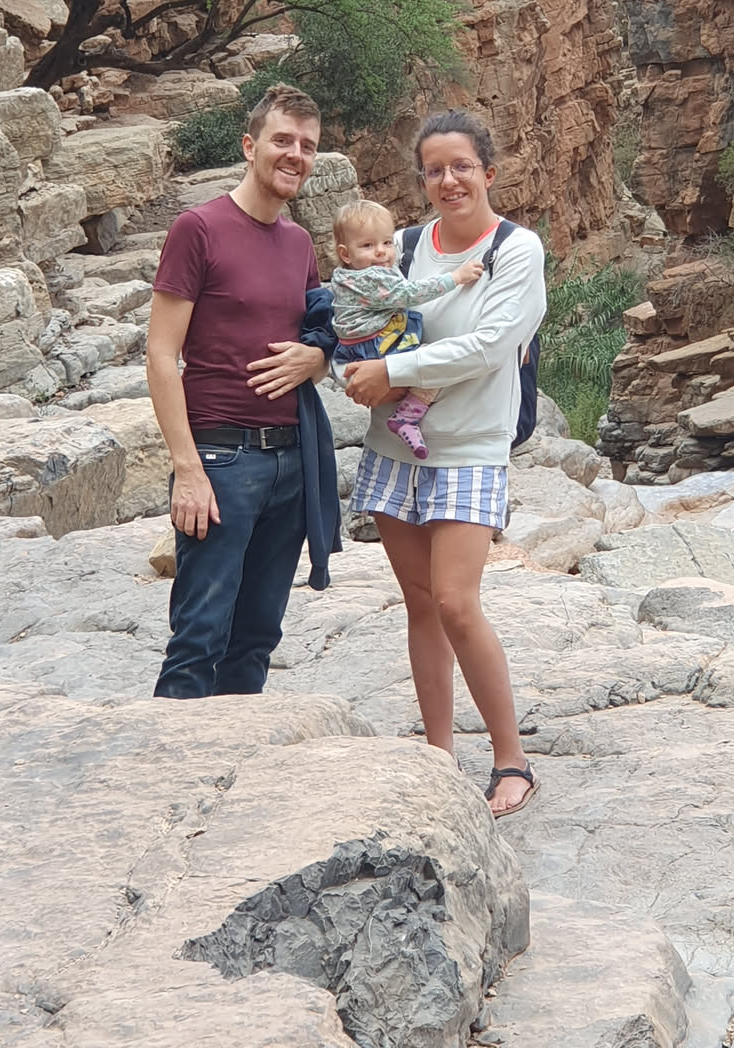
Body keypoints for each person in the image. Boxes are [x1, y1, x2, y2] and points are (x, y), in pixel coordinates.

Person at [342, 110, 546, 817]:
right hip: (393, 446)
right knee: (421, 602)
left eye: (462, 166)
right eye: (435, 170)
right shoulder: (401, 247)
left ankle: (511, 759)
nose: (449, 181)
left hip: (469, 448)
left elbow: (490, 345)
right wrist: (336, 362)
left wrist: (394, 370)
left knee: (457, 601)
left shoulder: (516, 250)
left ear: (488, 172)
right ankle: (438, 754)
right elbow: (355, 315)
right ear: (422, 180)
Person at [145, 83, 340, 699]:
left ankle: (234, 751)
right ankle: (167, 752)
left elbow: (317, 342)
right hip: (222, 460)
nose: (295, 155)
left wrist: (318, 358)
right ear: (250, 146)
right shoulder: (199, 228)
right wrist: (188, 471)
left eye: (307, 146)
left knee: (257, 636)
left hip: (291, 462)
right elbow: (161, 353)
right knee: (199, 636)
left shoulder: (299, 243)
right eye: (283, 140)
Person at [329, 197, 484, 459]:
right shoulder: (372, 278)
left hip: (355, 349)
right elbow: (410, 293)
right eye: (367, 245)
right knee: (435, 361)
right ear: (346, 254)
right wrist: (456, 277)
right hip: (377, 346)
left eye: (387, 242)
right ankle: (407, 416)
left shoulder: (344, 277)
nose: (381, 252)